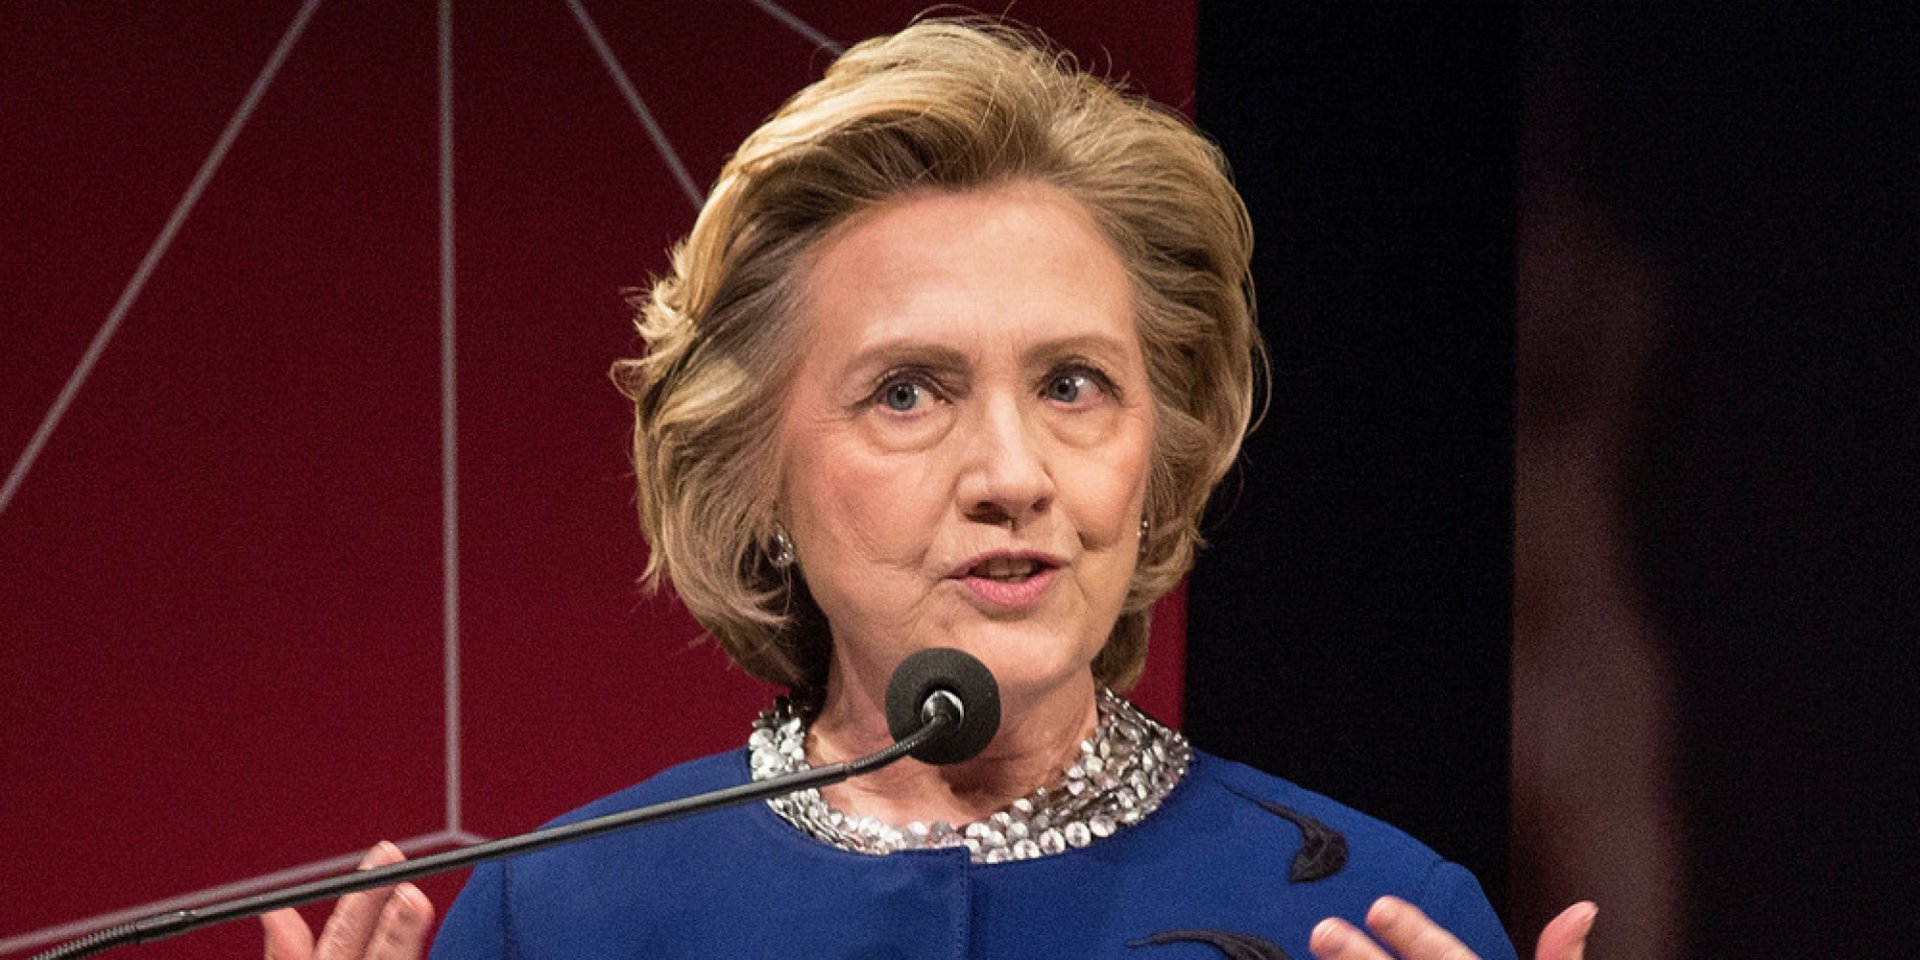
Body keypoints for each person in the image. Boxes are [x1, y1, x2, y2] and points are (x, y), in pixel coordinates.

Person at [261, 19, 1595, 960]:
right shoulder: (558, 919)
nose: (1013, 476)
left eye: (1075, 384)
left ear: (1161, 448)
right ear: (758, 469)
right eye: (908, 392)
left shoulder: (1369, 913)